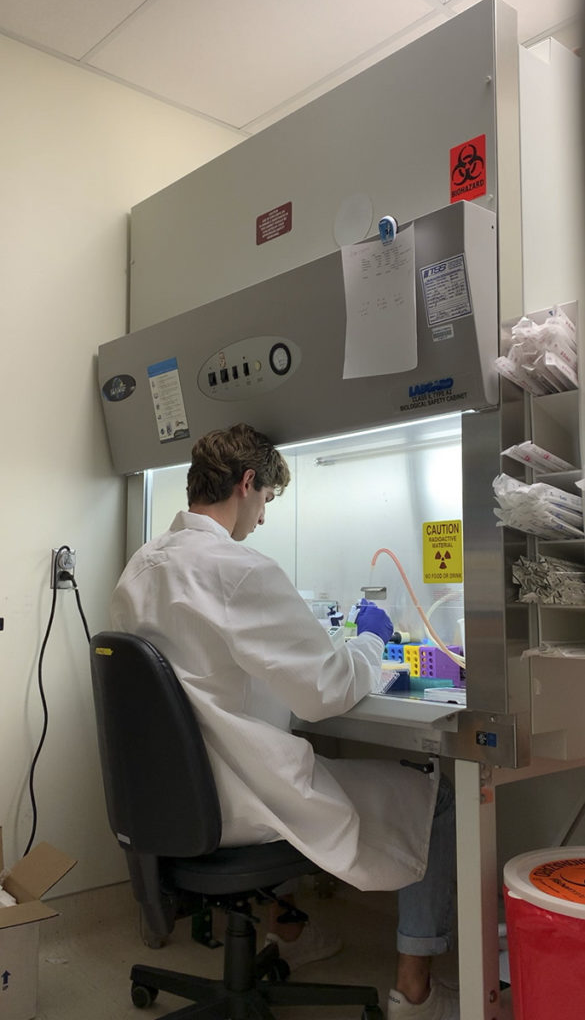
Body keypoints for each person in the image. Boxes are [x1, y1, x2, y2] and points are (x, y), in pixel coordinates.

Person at [111, 422, 458, 1020]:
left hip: (168, 802)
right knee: (440, 794)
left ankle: (292, 935)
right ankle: (416, 990)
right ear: (248, 483)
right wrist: (372, 642)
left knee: (294, 760)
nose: (264, 519)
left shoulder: (139, 568)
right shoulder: (238, 568)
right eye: (267, 500)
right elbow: (326, 690)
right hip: (240, 800)